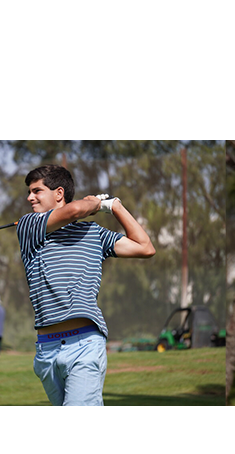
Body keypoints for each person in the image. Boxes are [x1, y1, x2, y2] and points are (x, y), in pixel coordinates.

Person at [17, 165, 156, 406]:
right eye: (29, 192)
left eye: (36, 191)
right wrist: (93, 204)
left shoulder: (94, 233)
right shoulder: (29, 226)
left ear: (58, 193)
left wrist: (114, 207)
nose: (30, 197)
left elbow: (145, 247)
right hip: (46, 351)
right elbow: (74, 211)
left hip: (85, 344)